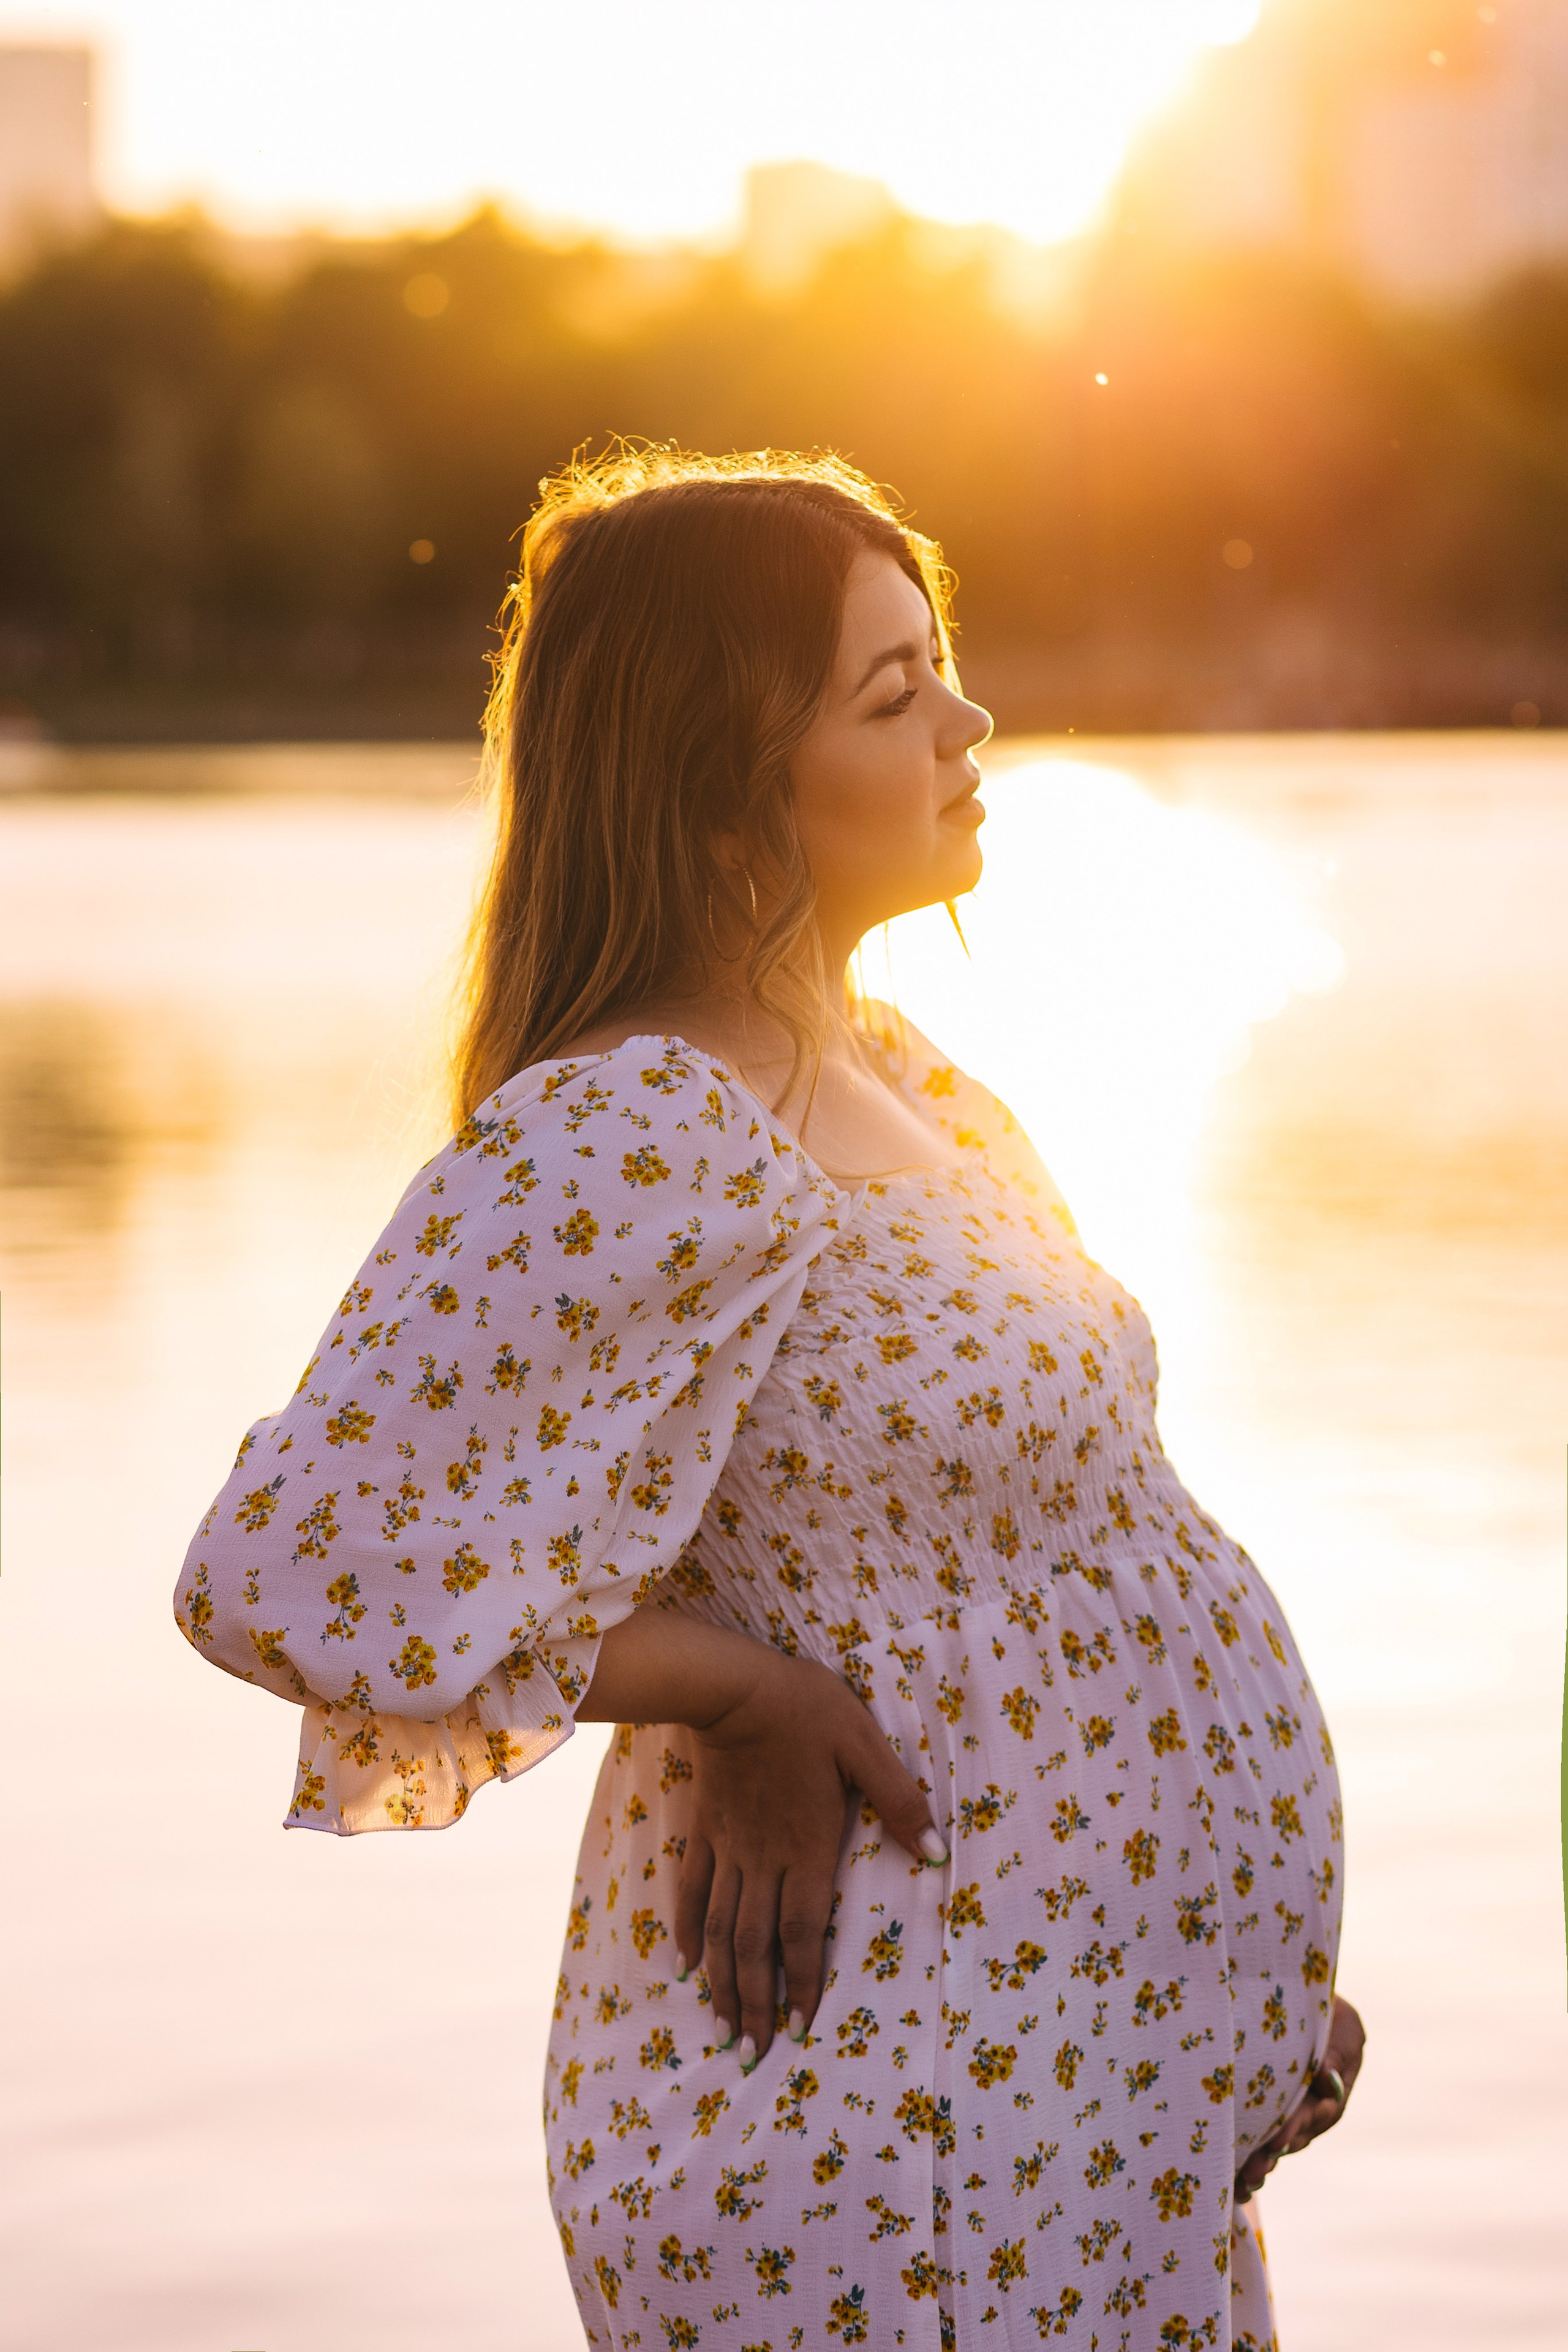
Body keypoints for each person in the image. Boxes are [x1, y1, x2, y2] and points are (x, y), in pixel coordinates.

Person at [176, 446, 1363, 2350]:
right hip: (895, 2123)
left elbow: (1080, 1557)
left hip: (1088, 2091)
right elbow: (292, 1568)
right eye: (895, 693)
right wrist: (744, 1692)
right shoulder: (640, 1122)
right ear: (728, 780)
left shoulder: (908, 1073)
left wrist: (1234, 1963)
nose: (971, 723)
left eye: (943, 663)